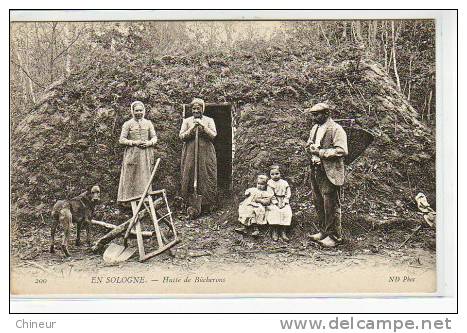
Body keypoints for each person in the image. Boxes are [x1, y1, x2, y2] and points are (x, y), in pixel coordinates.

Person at [306, 103, 348, 248]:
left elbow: (341, 150)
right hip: (316, 169)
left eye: (316, 114)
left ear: (326, 114)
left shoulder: (336, 129)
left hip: (329, 171)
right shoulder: (315, 128)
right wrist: (310, 146)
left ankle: (335, 237)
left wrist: (321, 152)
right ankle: (324, 232)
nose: (314, 117)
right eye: (312, 114)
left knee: (331, 205)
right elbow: (310, 143)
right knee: (319, 202)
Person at [179, 98, 218, 214]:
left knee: (206, 173)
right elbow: (181, 137)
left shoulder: (209, 120)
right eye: (194, 108)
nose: (196, 110)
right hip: (190, 152)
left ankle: (207, 204)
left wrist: (202, 126)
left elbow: (213, 135)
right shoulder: (186, 121)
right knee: (189, 173)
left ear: (202, 109)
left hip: (205, 152)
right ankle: (188, 203)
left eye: (198, 108)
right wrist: (192, 128)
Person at [117, 101, 158, 205]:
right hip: (132, 154)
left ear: (144, 111)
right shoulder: (128, 124)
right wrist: (134, 142)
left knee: (144, 176)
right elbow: (122, 140)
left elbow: (154, 137)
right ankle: (129, 202)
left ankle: (145, 200)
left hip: (145, 154)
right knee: (131, 175)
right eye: (136, 111)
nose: (139, 112)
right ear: (132, 111)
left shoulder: (148, 123)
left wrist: (149, 143)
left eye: (140, 110)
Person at [267, 165, 292, 242]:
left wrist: (285, 201)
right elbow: (270, 194)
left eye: (277, 173)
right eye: (272, 174)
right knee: (274, 212)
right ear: (270, 175)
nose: (275, 176)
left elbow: (288, 192)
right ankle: (275, 231)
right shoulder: (270, 183)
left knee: (287, 212)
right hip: (274, 200)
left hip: (283, 200)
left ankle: (283, 231)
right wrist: (276, 203)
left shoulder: (284, 182)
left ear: (280, 173)